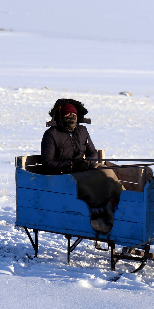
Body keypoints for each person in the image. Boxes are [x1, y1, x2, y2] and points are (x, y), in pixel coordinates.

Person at [41, 99, 123, 234]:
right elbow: (47, 163)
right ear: (60, 116)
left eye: (74, 114)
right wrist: (70, 164)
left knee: (107, 173)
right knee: (84, 181)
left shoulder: (82, 130)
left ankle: (120, 201)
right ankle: (98, 209)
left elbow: (93, 152)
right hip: (63, 175)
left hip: (82, 169)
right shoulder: (51, 134)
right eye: (68, 114)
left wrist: (89, 162)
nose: (71, 117)